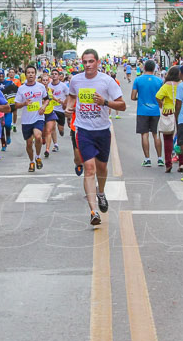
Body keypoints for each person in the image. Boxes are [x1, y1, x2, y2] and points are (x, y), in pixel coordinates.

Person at [65, 49, 126, 225]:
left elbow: (122, 105)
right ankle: (93, 211)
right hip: (83, 130)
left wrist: (104, 102)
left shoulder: (107, 81)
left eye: (91, 61)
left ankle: (101, 192)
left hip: (102, 130)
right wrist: (69, 107)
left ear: (98, 62)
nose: (88, 65)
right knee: (89, 168)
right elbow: (71, 97)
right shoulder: (76, 80)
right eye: (85, 62)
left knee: (101, 168)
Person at [12, 65, 49, 172]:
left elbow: (47, 99)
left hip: (38, 117)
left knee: (38, 137)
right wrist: (24, 103)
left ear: (35, 74)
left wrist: (43, 106)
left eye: (33, 72)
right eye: (28, 73)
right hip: (26, 120)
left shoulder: (41, 87)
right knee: (28, 143)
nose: (31, 74)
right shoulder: (21, 88)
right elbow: (16, 105)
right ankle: (32, 161)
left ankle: (38, 157)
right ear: (25, 75)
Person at [131, 59, 163, 167]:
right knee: (156, 135)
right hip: (155, 111)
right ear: (154, 68)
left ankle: (147, 159)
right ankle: (160, 158)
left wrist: (140, 99)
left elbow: (133, 97)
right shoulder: (159, 81)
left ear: (144, 68)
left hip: (142, 111)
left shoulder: (138, 80)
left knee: (144, 135)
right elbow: (161, 97)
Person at [155, 66, 182, 173]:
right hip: (180, 112)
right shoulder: (181, 84)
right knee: (181, 138)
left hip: (168, 112)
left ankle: (168, 163)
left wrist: (162, 105)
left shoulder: (167, 85)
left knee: (167, 139)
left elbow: (157, 96)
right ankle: (182, 163)